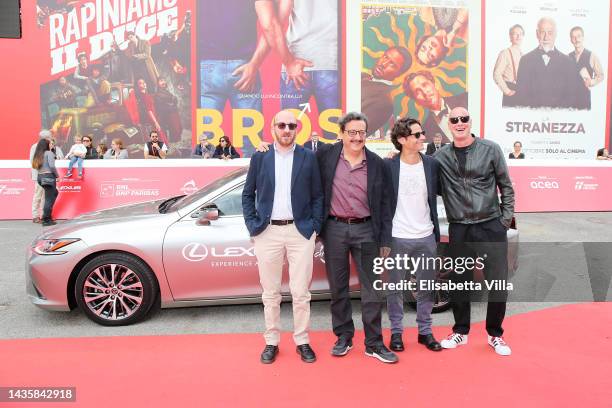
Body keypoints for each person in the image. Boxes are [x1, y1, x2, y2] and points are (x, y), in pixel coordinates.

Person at [242, 110, 324, 364]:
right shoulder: (261, 157)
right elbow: (248, 194)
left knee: (301, 292)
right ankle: (272, 341)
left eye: (291, 125)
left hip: (300, 232)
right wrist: (253, 225)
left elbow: (318, 196)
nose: (286, 129)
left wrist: (315, 227)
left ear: (297, 128)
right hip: (267, 232)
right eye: (282, 125)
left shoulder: (308, 157)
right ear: (273, 127)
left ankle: (302, 340)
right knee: (271, 292)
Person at [316, 112, 396, 363]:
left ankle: (373, 343)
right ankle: (344, 337)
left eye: (361, 132)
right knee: (338, 287)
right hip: (334, 229)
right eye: (352, 132)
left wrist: (384, 239)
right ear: (341, 134)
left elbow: (385, 204)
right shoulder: (324, 157)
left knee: (372, 289)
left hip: (367, 230)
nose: (357, 137)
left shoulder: (377, 164)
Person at [435, 107, 515, 356]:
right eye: (454, 120)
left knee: (498, 282)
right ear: (448, 124)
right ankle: (460, 332)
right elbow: (432, 186)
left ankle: (495, 334)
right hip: (460, 228)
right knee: (460, 283)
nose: (459, 123)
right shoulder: (440, 157)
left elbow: (506, 186)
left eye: (464, 119)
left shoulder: (490, 148)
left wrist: (504, 220)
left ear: (470, 122)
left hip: (490, 225)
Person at [385, 117, 442, 352]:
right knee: (395, 289)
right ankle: (396, 333)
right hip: (397, 236)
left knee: (426, 287)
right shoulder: (388, 165)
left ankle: (425, 332)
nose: (422, 137)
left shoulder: (431, 164)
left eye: (422, 133)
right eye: (417, 135)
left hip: (426, 235)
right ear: (401, 140)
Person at [277, 0, 339, 141]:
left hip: (297, 61)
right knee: (335, 139)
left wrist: (288, 61)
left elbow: (276, 24)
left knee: (288, 136)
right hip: (330, 61)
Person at [515, 17, 581, 109]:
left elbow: (571, 96)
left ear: (556, 34)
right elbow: (521, 96)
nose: (546, 37)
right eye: (542, 32)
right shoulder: (525, 60)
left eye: (550, 33)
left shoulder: (568, 62)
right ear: (537, 34)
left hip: (559, 119)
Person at [403, 70, 468, 143]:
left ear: (435, 84)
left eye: (425, 85)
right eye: (417, 91)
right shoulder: (426, 133)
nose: (424, 92)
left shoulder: (466, 99)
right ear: (417, 102)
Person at [361, 46, 412, 134]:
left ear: (399, 74)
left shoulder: (384, 103)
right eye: (385, 57)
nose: (383, 64)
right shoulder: (363, 76)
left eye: (392, 64)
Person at [569, 26, 605, 110]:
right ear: (571, 40)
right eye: (573, 37)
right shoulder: (567, 57)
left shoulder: (591, 55)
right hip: (570, 102)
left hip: (584, 101)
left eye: (579, 36)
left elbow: (601, 75)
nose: (576, 39)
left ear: (583, 38)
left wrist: (592, 82)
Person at [493, 24, 524, 107]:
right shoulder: (505, 53)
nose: (518, 36)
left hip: (522, 92)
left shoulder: (523, 54)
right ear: (510, 37)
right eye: (515, 34)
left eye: (520, 34)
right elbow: (496, 74)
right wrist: (507, 91)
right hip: (511, 91)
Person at [31, 138, 59, 227]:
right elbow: (52, 166)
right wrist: (57, 175)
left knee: (54, 193)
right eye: (50, 144)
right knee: (48, 199)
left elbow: (35, 166)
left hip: (40, 177)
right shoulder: (49, 153)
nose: (51, 145)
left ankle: (46, 216)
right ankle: (46, 219)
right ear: (46, 145)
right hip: (48, 177)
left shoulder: (38, 154)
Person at [30, 130, 51, 223]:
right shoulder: (35, 146)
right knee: (38, 195)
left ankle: (43, 215)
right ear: (46, 137)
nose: (50, 138)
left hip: (45, 174)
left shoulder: (48, 146)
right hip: (39, 174)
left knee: (44, 196)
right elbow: (32, 161)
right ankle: (35, 216)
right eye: (49, 137)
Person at [154, 77, 183, 143]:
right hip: (165, 114)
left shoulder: (167, 92)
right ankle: (173, 140)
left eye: (164, 81)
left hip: (172, 112)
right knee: (173, 125)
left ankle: (175, 139)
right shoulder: (158, 94)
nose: (163, 82)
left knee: (177, 125)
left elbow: (175, 99)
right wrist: (171, 103)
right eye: (161, 81)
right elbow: (162, 106)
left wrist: (172, 102)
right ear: (158, 83)